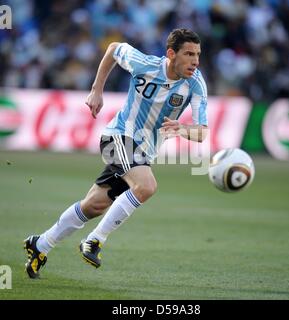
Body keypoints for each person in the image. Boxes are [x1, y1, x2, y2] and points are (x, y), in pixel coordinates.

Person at [24, 28, 208, 279]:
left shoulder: (196, 84)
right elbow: (112, 49)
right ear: (171, 54)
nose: (195, 60)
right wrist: (97, 89)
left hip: (143, 152)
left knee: (94, 205)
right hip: (118, 136)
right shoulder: (144, 64)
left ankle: (40, 244)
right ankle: (94, 241)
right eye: (188, 54)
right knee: (146, 186)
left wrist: (184, 128)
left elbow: (202, 133)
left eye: (197, 54)